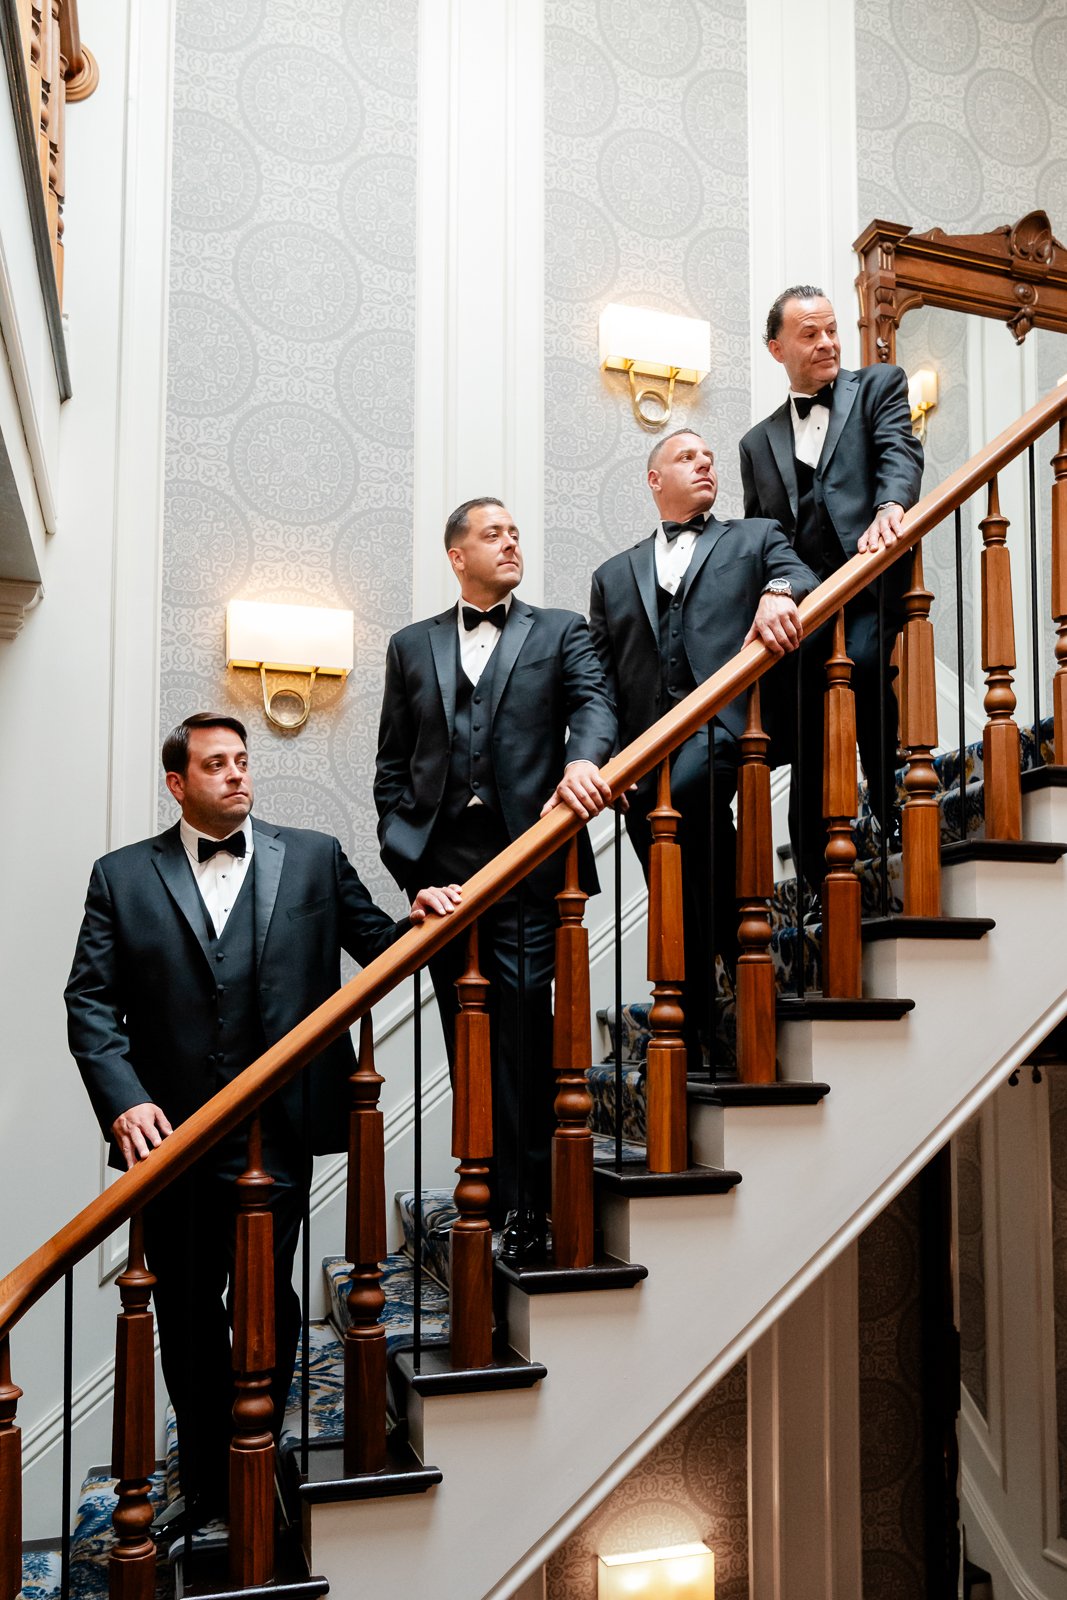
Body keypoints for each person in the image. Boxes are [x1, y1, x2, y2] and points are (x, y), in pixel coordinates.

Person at [65, 713, 458, 1537]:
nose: (239, 775)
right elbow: (90, 1003)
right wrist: (125, 1098)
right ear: (178, 784)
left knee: (266, 1299)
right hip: (169, 1143)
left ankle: (259, 1445)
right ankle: (206, 1474)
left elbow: (377, 946)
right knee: (182, 1309)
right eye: (217, 765)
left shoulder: (312, 856)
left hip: (275, 1133)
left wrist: (419, 916)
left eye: (243, 762)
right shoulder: (120, 876)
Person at [374, 497, 615, 1260]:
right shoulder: (410, 646)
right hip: (445, 881)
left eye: (515, 533)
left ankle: (530, 1206)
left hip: (527, 866)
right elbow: (390, 765)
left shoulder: (559, 631)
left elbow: (593, 705)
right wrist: (407, 861)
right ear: (456, 556)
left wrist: (583, 760)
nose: (510, 543)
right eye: (492, 534)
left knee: (525, 1035)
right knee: (465, 1038)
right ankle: (491, 1189)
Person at [589, 430, 817, 1074]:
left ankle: (712, 1023)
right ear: (655, 480)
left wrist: (777, 591)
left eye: (709, 458)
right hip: (640, 756)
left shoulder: (754, 536)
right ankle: (699, 1033)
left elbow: (802, 573)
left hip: (722, 725)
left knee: (684, 807)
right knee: (679, 885)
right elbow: (601, 682)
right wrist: (607, 760)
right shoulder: (612, 576)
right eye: (687, 458)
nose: (705, 464)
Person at [739, 285, 924, 902]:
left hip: (868, 581)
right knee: (809, 720)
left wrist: (892, 503)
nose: (827, 343)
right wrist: (775, 588)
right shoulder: (755, 443)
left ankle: (895, 807)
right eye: (809, 334)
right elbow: (761, 532)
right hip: (807, 603)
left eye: (831, 331)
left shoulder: (878, 386)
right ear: (776, 348)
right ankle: (818, 871)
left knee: (866, 666)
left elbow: (900, 452)